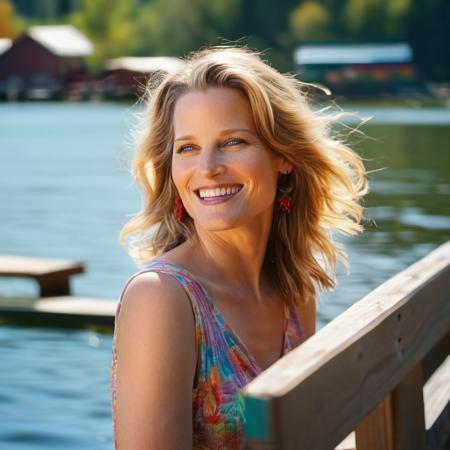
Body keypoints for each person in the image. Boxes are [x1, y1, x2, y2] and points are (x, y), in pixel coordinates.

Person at [110, 46, 368, 450]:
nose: (208, 168)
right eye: (188, 148)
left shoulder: (294, 293)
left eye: (232, 142)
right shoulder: (161, 300)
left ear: (283, 155)